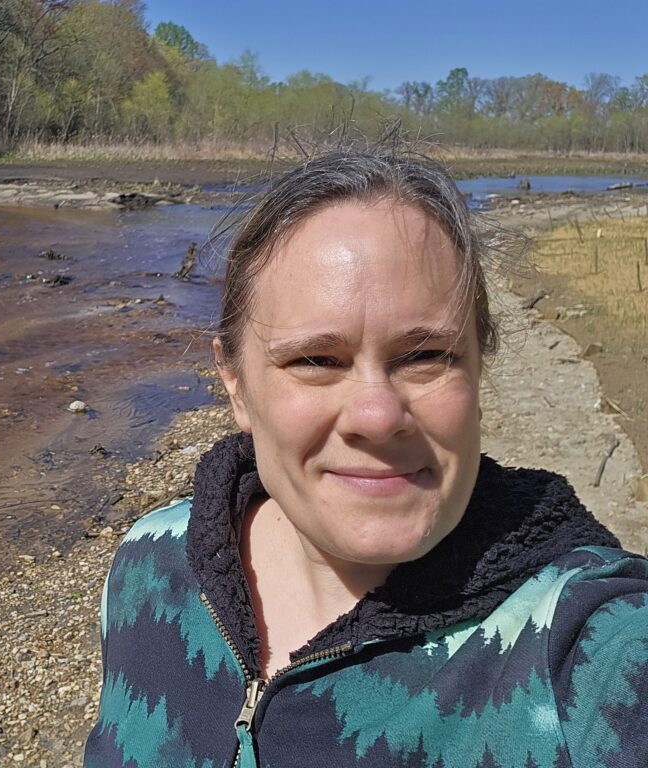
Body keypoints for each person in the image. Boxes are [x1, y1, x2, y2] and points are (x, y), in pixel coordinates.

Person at [83, 147, 648, 768]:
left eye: (425, 356)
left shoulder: (587, 647)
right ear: (236, 383)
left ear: (478, 369)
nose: (377, 416)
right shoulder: (148, 565)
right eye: (316, 360)